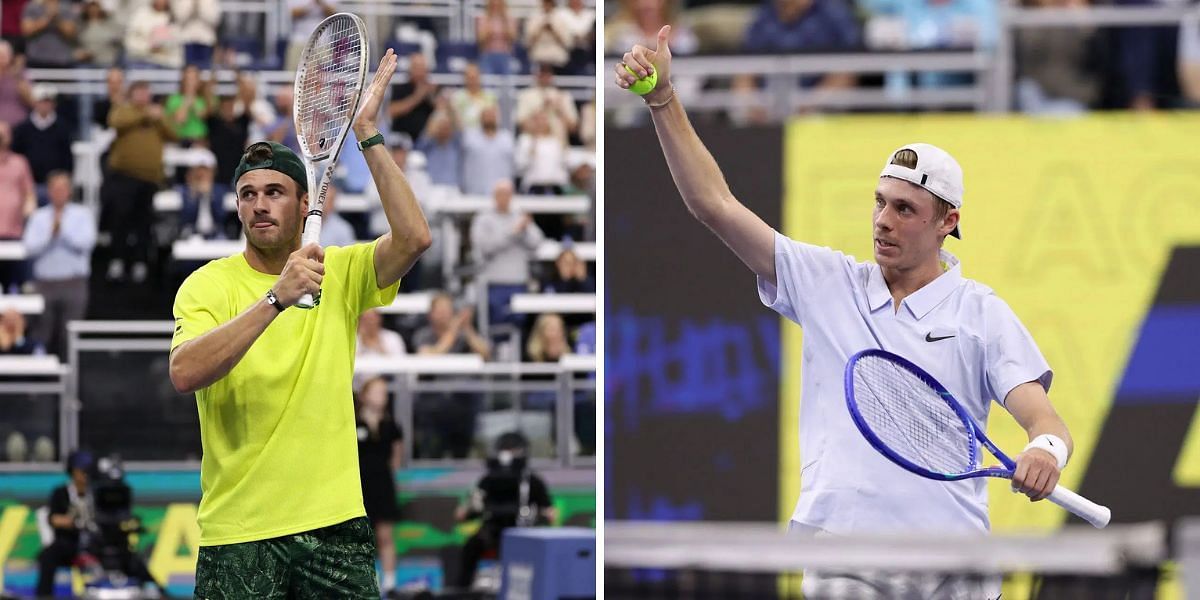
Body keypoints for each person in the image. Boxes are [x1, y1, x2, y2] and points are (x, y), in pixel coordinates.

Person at [615, 27, 1075, 599]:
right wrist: (663, 100)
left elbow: (1047, 423)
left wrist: (1044, 452)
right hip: (843, 559)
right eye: (880, 201)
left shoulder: (982, 313)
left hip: (956, 569)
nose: (883, 220)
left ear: (947, 223)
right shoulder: (827, 283)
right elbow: (713, 204)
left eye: (905, 208)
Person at [169, 50, 431, 599]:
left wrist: (368, 133)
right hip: (239, 532)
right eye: (248, 194)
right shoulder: (207, 286)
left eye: (274, 192)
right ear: (237, 208)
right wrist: (275, 298)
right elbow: (185, 372)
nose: (260, 205)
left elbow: (413, 239)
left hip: (335, 527)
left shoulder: (340, 271)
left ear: (305, 202)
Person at [454, 432, 555, 589]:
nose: (508, 455)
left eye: (512, 451)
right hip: (492, 533)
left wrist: (535, 515)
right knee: (470, 547)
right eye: (505, 450)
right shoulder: (488, 481)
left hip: (523, 533)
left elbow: (550, 513)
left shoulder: (532, 482)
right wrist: (470, 510)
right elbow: (463, 513)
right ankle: (461, 591)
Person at [103, 80, 175, 283]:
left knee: (144, 224)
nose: (144, 96)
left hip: (149, 179)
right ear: (132, 94)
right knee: (120, 220)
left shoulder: (158, 115)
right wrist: (145, 114)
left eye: (147, 92)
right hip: (123, 177)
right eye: (140, 92)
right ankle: (117, 259)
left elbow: (175, 134)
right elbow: (115, 122)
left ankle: (140, 262)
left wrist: (160, 118)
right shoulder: (123, 110)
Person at [24, 170, 95, 358]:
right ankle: (38, 384)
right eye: (55, 188)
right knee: (41, 333)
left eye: (63, 188)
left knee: (70, 336)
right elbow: (30, 247)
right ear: (48, 191)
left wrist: (61, 230)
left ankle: (73, 381)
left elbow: (86, 243)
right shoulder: (38, 217)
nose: (59, 192)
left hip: (73, 283)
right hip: (45, 285)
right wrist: (50, 234)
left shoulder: (82, 215)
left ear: (69, 190)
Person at [469, 179, 544, 329]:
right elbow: (484, 247)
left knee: (519, 326)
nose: (504, 197)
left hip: (518, 282)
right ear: (494, 196)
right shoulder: (483, 219)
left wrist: (525, 230)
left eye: (507, 194)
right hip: (493, 283)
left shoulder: (520, 217)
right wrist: (513, 232)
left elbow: (537, 243)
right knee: (495, 325)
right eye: (500, 194)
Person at [355, 375, 404, 595]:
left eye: (384, 392)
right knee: (362, 537)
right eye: (376, 392)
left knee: (385, 536)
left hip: (383, 484)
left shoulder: (391, 425)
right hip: (359, 485)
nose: (381, 396)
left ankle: (390, 582)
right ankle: (366, 581)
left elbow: (396, 457)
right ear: (364, 395)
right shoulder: (354, 422)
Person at [36, 450, 95, 597]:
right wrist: (74, 522)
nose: (86, 475)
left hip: (95, 543)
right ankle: (44, 595)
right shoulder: (61, 493)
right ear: (73, 471)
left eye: (89, 471)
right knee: (47, 556)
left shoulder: (96, 492)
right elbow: (53, 519)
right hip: (69, 544)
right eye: (83, 471)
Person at [12, 84, 74, 192]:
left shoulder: (62, 127)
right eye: (41, 101)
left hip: (55, 187)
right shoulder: (22, 128)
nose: (45, 105)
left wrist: (65, 180)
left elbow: (67, 158)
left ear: (54, 104)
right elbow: (17, 156)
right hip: (28, 184)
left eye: (48, 101)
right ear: (34, 102)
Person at [460, 105, 515, 197]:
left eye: (492, 116)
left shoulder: (506, 138)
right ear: (480, 118)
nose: (489, 119)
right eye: (486, 116)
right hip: (474, 191)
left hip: (501, 193)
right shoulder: (469, 137)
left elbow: (513, 166)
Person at [176, 150, 227, 240]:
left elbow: (221, 217)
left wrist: (210, 194)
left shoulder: (219, 190)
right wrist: (193, 195)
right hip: (191, 232)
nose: (201, 174)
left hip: (215, 233)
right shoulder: (183, 190)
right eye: (197, 170)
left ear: (213, 172)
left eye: (205, 170)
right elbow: (186, 218)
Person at [388, 53, 438, 143]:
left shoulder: (432, 89)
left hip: (427, 139)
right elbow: (391, 111)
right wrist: (417, 97)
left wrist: (432, 97)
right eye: (417, 68)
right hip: (402, 138)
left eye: (422, 68)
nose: (420, 71)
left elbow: (439, 112)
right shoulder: (400, 88)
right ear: (410, 69)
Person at [20, 0, 79, 68]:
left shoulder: (66, 7)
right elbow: (26, 31)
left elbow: (71, 33)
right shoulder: (33, 6)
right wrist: (47, 17)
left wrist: (57, 19)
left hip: (62, 61)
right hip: (36, 60)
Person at [124, 0, 182, 69]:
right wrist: (148, 48)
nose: (161, 2)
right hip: (142, 60)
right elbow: (129, 39)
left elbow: (178, 42)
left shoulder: (174, 17)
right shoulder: (141, 14)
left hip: (167, 63)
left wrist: (164, 46)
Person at [165, 64, 210, 146]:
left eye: (194, 79)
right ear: (183, 80)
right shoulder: (174, 99)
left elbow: (203, 117)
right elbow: (179, 120)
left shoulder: (203, 99)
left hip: (199, 142)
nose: (191, 82)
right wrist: (186, 103)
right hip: (180, 142)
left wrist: (193, 103)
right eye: (188, 79)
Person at [523, 0, 572, 72]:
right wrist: (540, 29)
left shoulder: (561, 18)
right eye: (545, 3)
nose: (547, 5)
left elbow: (567, 43)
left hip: (557, 54)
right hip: (538, 53)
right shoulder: (534, 18)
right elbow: (528, 42)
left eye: (549, 3)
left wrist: (553, 30)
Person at [172, 0, 221, 68]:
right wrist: (192, 5)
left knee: (205, 73)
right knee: (189, 72)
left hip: (206, 41)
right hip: (186, 41)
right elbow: (179, 18)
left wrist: (200, 5)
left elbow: (214, 19)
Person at [475, 0, 517, 76]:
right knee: (488, 82)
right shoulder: (483, 18)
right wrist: (489, 28)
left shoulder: (509, 19)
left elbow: (513, 38)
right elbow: (480, 39)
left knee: (507, 81)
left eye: (498, 4)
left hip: (505, 54)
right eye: (494, 4)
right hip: (488, 54)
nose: (496, 7)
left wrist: (504, 22)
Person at [75, 0, 122, 67]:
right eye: (91, 6)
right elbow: (77, 44)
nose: (93, 9)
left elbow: (116, 39)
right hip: (87, 63)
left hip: (106, 62)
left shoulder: (110, 24)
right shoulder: (81, 24)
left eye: (96, 6)